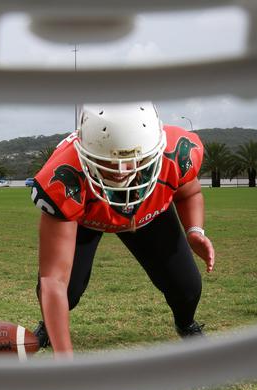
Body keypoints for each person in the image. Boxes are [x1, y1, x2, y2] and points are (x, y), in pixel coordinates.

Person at [30, 102, 215, 358]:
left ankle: (186, 325)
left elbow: (190, 192)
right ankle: (49, 328)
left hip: (148, 211)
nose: (120, 171)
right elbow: (53, 281)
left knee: (187, 287)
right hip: (86, 217)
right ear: (85, 151)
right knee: (66, 290)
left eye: (131, 160)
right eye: (107, 161)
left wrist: (195, 230)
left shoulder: (174, 154)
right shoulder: (65, 176)